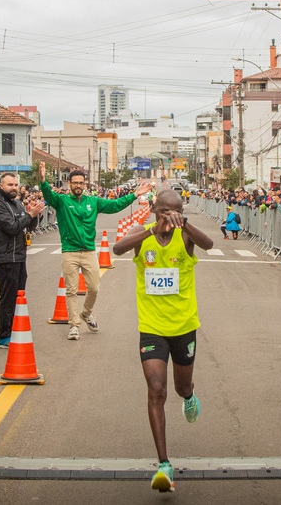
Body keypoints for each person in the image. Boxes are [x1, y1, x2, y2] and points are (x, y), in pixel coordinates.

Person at [111, 190, 214, 493]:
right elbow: (117, 249)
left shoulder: (186, 236)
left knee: (181, 388)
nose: (168, 216)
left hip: (183, 326)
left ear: (181, 211)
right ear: (154, 209)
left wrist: (185, 224)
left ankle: (189, 394)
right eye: (163, 211)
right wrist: (152, 230)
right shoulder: (141, 234)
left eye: (174, 211)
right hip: (152, 327)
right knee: (156, 389)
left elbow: (209, 244)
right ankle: (164, 465)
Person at [38, 160, 153, 341]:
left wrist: (134, 195)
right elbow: (48, 195)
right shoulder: (61, 201)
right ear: (69, 184)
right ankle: (74, 325)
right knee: (71, 290)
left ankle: (86, 313)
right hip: (69, 251)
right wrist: (42, 180)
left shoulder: (93, 201)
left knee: (94, 288)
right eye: (75, 183)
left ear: (85, 184)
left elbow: (114, 205)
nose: (78, 185)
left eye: (81, 183)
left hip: (89, 251)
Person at [0, 172, 45, 349]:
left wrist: (35, 214)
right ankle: (5, 335)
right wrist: (29, 215)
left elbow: (28, 226)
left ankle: (16, 329)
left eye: (15, 185)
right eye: (9, 185)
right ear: (1, 186)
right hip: (4, 257)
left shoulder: (17, 204)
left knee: (19, 295)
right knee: (8, 296)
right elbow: (12, 228)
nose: (13, 188)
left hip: (19, 255)